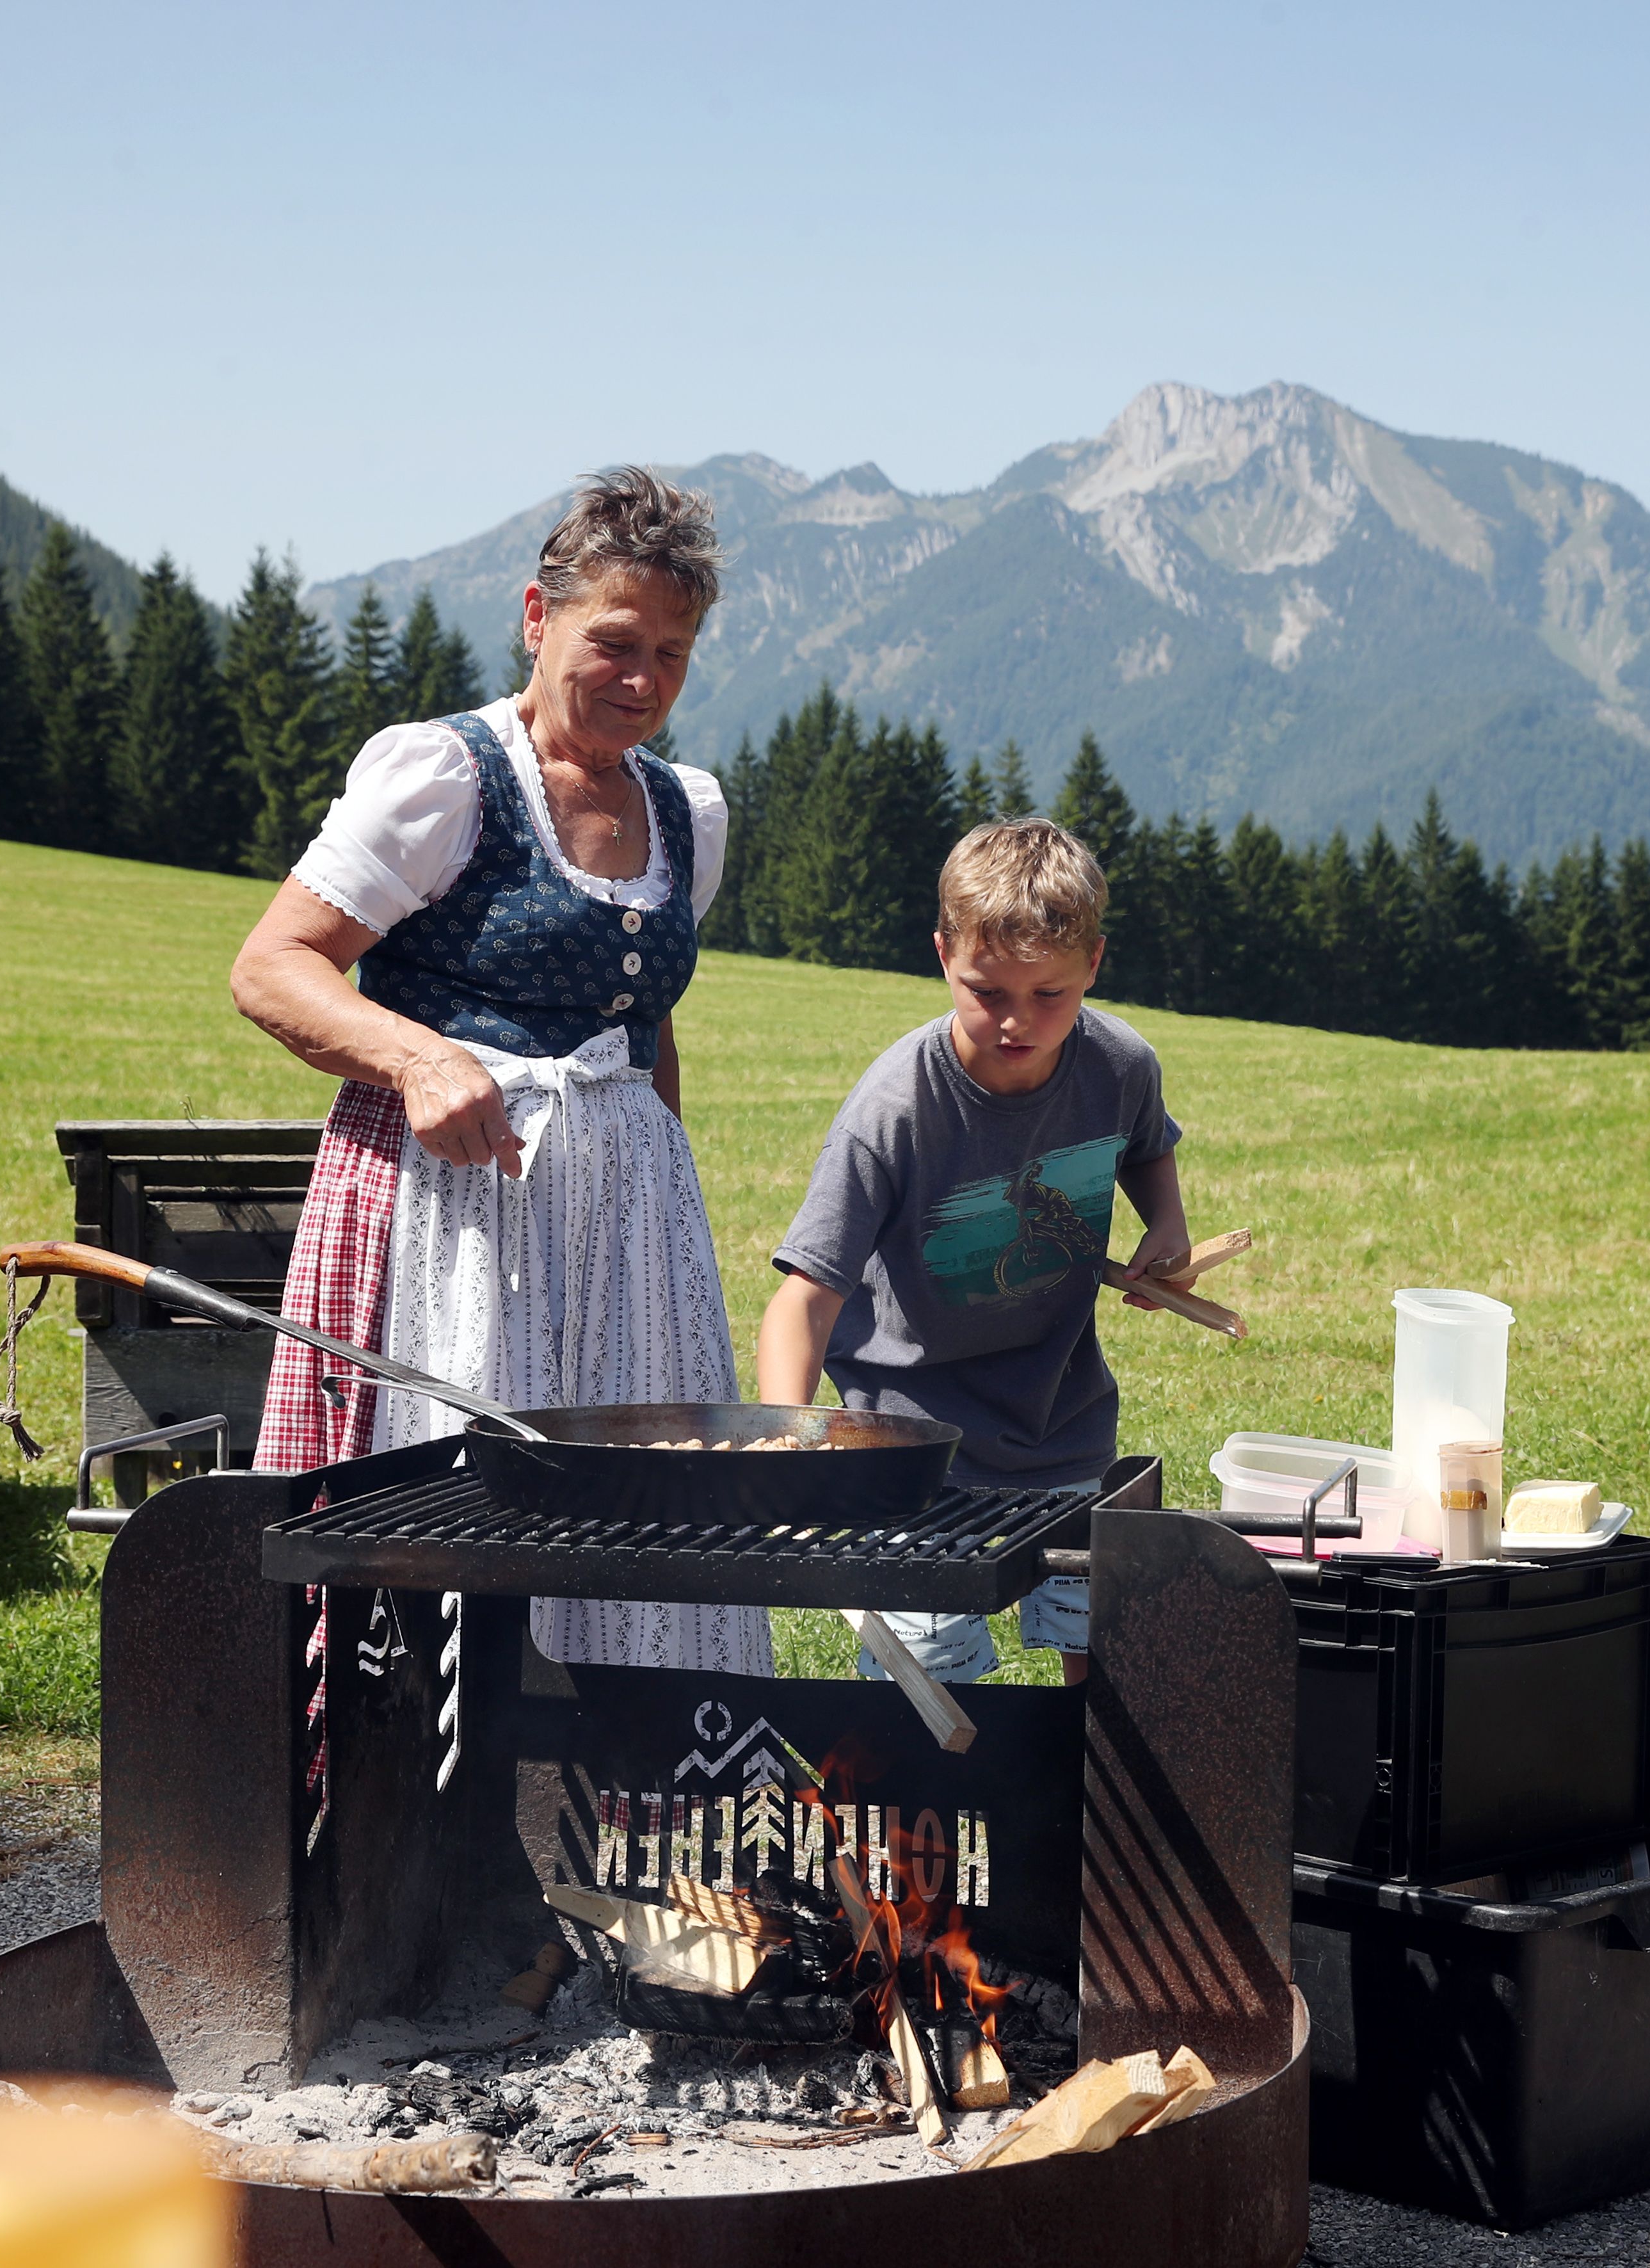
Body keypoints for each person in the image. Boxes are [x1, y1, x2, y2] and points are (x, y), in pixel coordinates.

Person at [230, 467, 764, 1680]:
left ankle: (626, 1758)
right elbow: (273, 967)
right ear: (538, 617)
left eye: (672, 655)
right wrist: (417, 1057)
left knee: (635, 1502)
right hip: (450, 1213)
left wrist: (668, 1203)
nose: (643, 680)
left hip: (631, 1227)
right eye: (615, 642)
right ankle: (428, 1767)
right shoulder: (447, 778)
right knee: (461, 1494)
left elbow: (647, 1023)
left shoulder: (688, 813)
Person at [756, 817, 1195, 1687]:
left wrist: (1167, 1224)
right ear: (943, 954)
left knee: (1101, 1668)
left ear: (1094, 965)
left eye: (1049, 995)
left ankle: (1083, 1785)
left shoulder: (1120, 1065)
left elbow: (1146, 1146)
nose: (1017, 1022)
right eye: (987, 992)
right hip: (909, 1448)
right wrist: (788, 1436)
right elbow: (806, 1296)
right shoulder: (894, 1109)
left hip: (1063, 1429)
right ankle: (921, 1789)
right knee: (926, 1693)